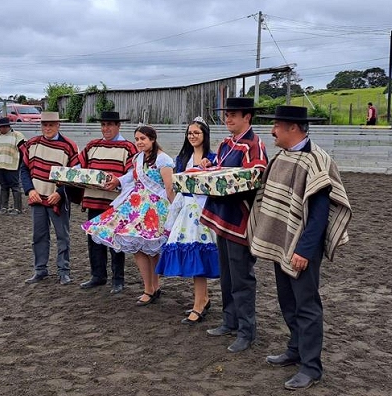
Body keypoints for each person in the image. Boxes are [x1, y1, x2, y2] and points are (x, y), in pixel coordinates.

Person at [249, 105, 352, 390]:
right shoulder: (282, 157)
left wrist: (304, 251)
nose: (272, 131)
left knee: (306, 305)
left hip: (302, 248)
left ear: (293, 128)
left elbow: (319, 213)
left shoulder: (316, 161)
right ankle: (295, 349)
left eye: (276, 126)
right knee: (287, 300)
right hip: (282, 241)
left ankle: (311, 367)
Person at [200, 97, 268, 353]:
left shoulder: (254, 145)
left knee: (242, 278)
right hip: (223, 218)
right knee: (227, 274)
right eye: (227, 114)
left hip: (241, 220)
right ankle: (229, 321)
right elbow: (220, 172)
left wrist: (223, 177)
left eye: (233, 115)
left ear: (247, 117)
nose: (228, 119)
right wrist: (210, 166)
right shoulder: (226, 144)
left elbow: (255, 178)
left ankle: (246, 331)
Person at [82, 125, 175, 306]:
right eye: (137, 139)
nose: (140, 142)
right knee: (136, 246)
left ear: (152, 139)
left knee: (152, 249)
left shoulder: (164, 159)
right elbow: (131, 177)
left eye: (143, 139)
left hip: (155, 208)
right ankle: (148, 287)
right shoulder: (137, 159)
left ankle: (155, 287)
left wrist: (175, 211)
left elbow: (169, 187)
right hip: (136, 206)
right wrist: (118, 180)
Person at [156, 117, 220, 325]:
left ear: (205, 135)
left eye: (196, 133)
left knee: (199, 255)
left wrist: (210, 166)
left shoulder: (213, 157)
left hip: (204, 210)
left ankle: (199, 303)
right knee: (194, 255)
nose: (192, 136)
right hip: (187, 210)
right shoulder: (183, 158)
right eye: (190, 133)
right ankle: (202, 299)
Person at [77, 111, 138, 294]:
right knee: (94, 240)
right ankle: (98, 275)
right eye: (103, 125)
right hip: (94, 200)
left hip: (115, 203)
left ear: (118, 126)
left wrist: (119, 180)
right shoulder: (92, 145)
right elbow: (79, 165)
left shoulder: (128, 147)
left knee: (115, 241)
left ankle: (118, 279)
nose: (106, 128)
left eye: (110, 125)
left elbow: (133, 172)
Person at [20, 112, 80, 285]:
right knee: (39, 235)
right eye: (45, 125)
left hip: (58, 199)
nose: (47, 128)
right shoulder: (32, 144)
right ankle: (40, 269)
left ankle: (64, 271)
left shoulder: (69, 146)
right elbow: (24, 169)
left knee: (63, 236)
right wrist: (30, 190)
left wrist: (60, 193)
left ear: (58, 125)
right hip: (37, 197)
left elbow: (74, 175)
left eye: (51, 125)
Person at [0, 117, 26, 215]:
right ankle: (4, 207)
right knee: (3, 186)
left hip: (12, 165)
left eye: (3, 127)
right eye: (0, 127)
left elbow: (23, 150)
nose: (2, 129)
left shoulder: (17, 135)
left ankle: (18, 208)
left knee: (15, 186)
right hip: (0, 165)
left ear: (8, 126)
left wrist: (20, 163)